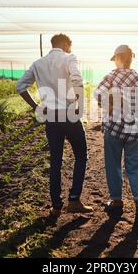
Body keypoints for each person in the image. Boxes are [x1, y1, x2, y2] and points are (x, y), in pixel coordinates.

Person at [16, 33, 93, 218]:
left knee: (55, 161)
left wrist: (36, 107)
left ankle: (56, 206)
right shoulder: (69, 58)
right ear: (66, 44)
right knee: (81, 155)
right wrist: (78, 105)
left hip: (50, 117)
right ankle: (74, 199)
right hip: (69, 115)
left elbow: (20, 86)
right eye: (70, 46)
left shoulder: (38, 63)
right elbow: (78, 80)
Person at [94, 45, 138, 221]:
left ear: (117, 58)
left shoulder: (110, 77)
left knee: (113, 165)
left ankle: (116, 202)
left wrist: (108, 105)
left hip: (114, 129)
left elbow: (97, 94)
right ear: (131, 58)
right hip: (136, 131)